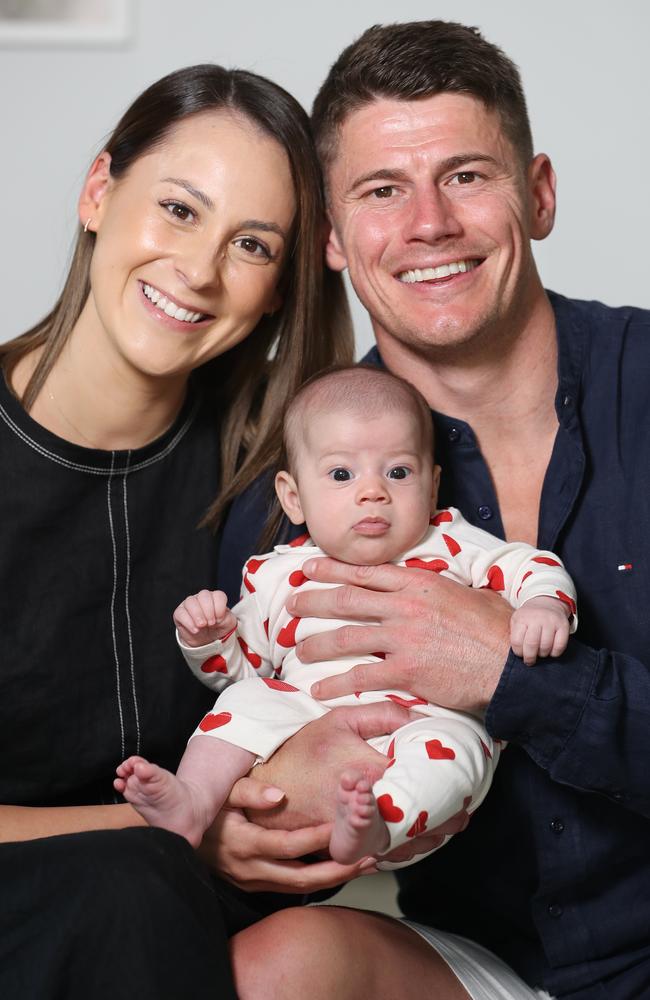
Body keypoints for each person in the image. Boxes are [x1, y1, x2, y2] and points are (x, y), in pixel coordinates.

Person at [220, 20, 650, 1000]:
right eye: (381, 190)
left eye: (464, 175)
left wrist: (513, 674)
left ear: (535, 194)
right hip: (489, 968)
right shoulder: (301, 481)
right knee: (276, 966)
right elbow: (242, 717)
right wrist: (238, 824)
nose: (427, 224)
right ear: (330, 237)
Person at [0, 62, 355, 1000]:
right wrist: (181, 825)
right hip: (74, 910)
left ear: (280, 289)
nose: (198, 272)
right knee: (135, 887)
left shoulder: (282, 474)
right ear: (96, 193)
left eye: (251, 244)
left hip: (189, 923)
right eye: (180, 210)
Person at [117, 365, 576, 870]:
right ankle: (195, 799)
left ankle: (380, 821)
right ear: (294, 497)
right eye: (342, 474)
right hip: (308, 714)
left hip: (426, 718)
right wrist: (207, 638)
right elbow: (239, 669)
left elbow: (525, 564)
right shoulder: (277, 574)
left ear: (432, 484)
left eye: (398, 472)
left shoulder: (448, 541)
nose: (373, 491)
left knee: (457, 749)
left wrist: (544, 603)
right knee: (246, 701)